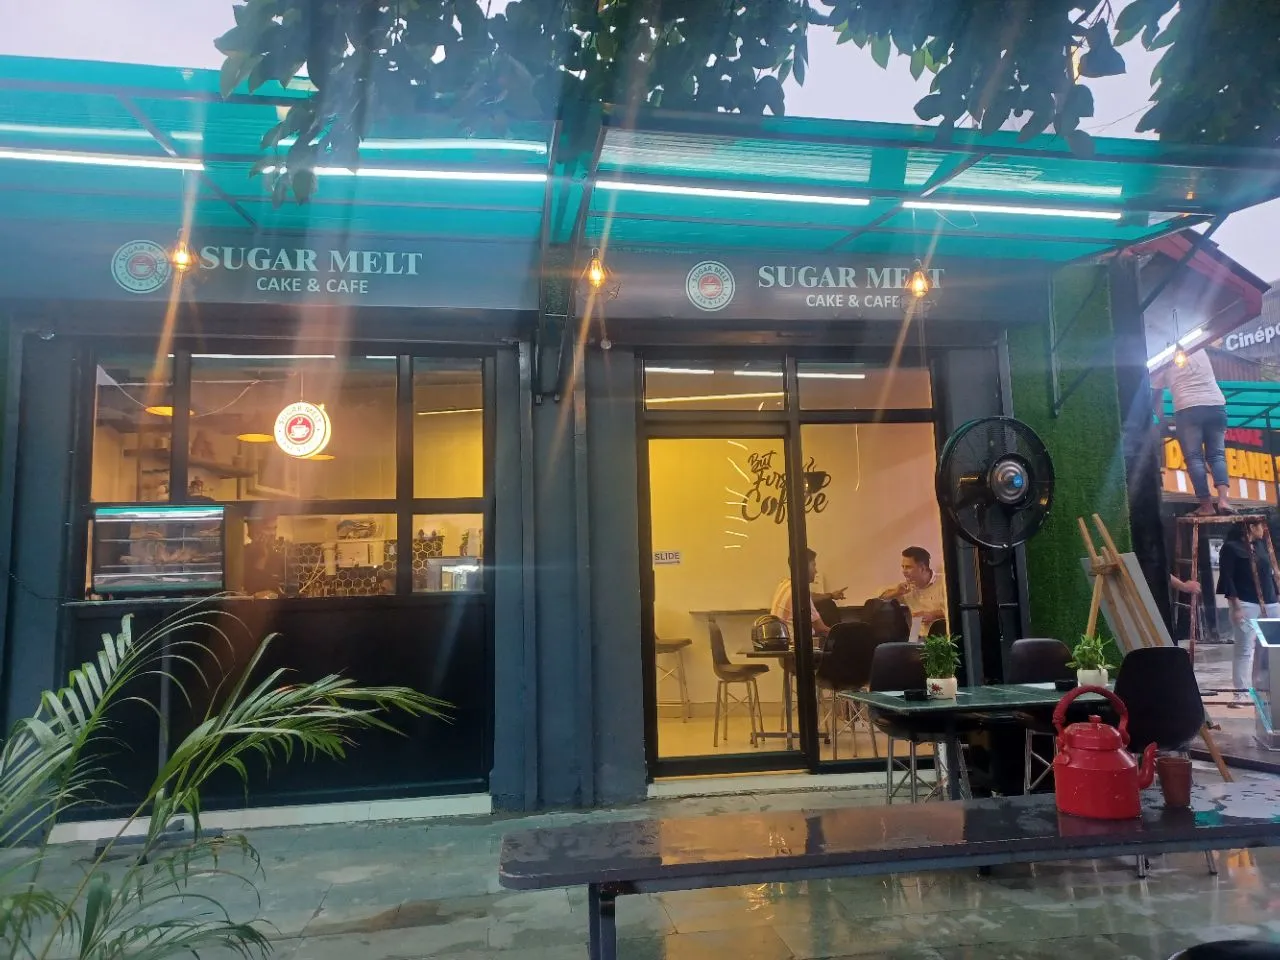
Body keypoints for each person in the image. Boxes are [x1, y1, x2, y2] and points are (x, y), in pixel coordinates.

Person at [1155, 348, 1230, 516]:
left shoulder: (1162, 356)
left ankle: (1207, 507)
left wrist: (1162, 420)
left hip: (1188, 409)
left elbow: (1155, 391)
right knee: (1217, 455)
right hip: (1216, 405)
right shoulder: (1198, 346)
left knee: (1194, 458)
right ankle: (1224, 501)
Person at [1216, 519, 1280, 700]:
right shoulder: (1231, 548)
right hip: (1246, 603)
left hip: (1270, 603)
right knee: (1244, 648)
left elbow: (1269, 574)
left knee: (1269, 648)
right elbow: (1227, 578)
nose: (1263, 529)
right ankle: (1242, 692)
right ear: (1251, 527)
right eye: (1259, 526)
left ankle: (1266, 688)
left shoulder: (1262, 546)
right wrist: (1236, 607)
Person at [770, 548, 842, 640]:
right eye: (813, 565)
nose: (816, 571)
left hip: (782, 642)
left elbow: (811, 596)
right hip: (795, 645)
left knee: (827, 603)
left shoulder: (785, 584)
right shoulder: (800, 593)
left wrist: (831, 595)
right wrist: (844, 637)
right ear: (803, 567)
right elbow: (821, 629)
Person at [881, 546, 947, 633]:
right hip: (916, 635)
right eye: (903, 567)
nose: (904, 571)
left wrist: (934, 615)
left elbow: (958, 610)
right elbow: (880, 601)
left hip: (943, 636)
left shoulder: (945, 582)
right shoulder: (905, 588)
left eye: (908, 567)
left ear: (922, 568)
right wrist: (896, 592)